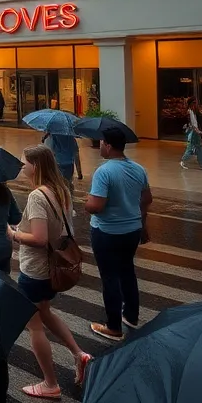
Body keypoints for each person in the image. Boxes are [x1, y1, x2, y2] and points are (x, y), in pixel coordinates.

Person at [7, 144, 92, 399]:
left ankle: (50, 383)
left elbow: (39, 238)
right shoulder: (61, 190)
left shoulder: (37, 196)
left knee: (34, 326)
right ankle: (80, 354)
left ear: (37, 166)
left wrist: (14, 233)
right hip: (51, 268)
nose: (22, 168)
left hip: (36, 270)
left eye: (25, 163)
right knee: (45, 312)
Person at [85, 126, 153, 341]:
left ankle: (113, 327)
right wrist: (143, 224)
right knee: (127, 271)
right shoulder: (138, 168)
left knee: (110, 278)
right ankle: (131, 316)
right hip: (131, 230)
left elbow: (97, 205)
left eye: (102, 143)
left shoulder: (104, 171)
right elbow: (147, 199)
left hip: (107, 232)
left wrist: (87, 204)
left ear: (108, 145)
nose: (100, 146)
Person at [180, 97, 202, 171]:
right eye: (194, 103)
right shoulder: (189, 112)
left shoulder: (194, 111)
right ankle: (183, 160)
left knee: (199, 147)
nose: (195, 104)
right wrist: (197, 131)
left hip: (195, 131)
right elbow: (192, 124)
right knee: (191, 147)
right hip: (192, 131)